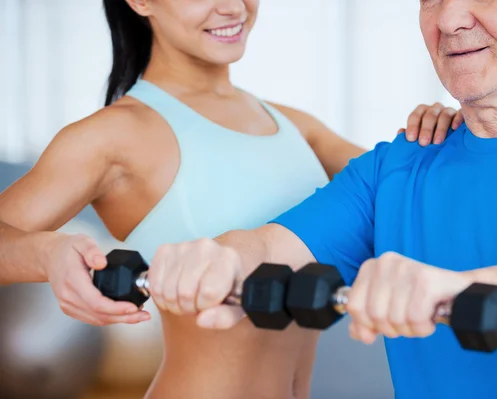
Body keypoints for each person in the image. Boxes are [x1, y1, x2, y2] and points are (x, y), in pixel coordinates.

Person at [0, 0, 462, 398]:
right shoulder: (113, 136)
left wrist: (442, 133)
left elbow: (416, 199)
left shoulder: (294, 126)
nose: (233, 6)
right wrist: (48, 253)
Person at [148, 0, 497, 398]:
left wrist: (459, 291)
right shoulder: (397, 165)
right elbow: (270, 248)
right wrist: (218, 257)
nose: (449, 18)